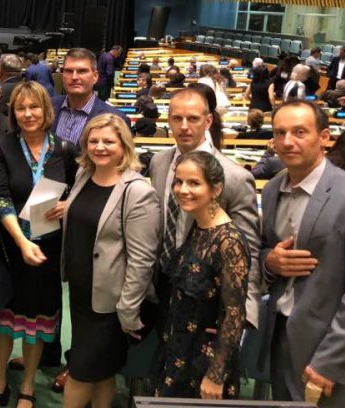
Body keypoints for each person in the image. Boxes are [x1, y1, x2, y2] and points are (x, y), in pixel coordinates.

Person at [0, 81, 78, 408]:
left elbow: (81, 187)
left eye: (34, 107)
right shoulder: (3, 147)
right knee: (4, 322)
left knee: (37, 322)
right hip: (11, 248)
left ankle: (27, 387)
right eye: (20, 108)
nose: (27, 114)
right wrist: (22, 241)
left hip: (48, 250)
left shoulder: (65, 148)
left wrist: (70, 204)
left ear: (46, 110)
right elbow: (0, 197)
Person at [259, 100, 345, 406]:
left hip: (330, 348)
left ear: (324, 137)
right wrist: (269, 261)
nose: (288, 141)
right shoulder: (272, 189)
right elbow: (264, 249)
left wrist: (331, 360)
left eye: (300, 132)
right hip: (280, 337)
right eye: (280, 133)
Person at [60, 114, 160, 408]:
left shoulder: (138, 192)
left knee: (79, 372)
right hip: (81, 296)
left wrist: (128, 309)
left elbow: (142, 260)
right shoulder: (83, 176)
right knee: (101, 371)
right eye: (93, 141)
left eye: (108, 141)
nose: (100, 147)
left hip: (111, 304)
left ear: (124, 146)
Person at [148, 87, 261, 330]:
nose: (185, 126)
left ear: (208, 121)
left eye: (193, 118)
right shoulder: (158, 163)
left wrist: (243, 311)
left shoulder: (235, 177)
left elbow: (247, 248)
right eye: (177, 118)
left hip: (205, 290)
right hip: (162, 283)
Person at [154, 151, 250, 399]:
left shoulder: (229, 241)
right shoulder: (199, 226)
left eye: (194, 183)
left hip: (204, 362)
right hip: (179, 349)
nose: (182, 189)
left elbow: (235, 314)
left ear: (215, 189)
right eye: (179, 181)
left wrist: (216, 375)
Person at [51, 48, 131, 149]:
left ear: (95, 76)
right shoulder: (46, 107)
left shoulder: (117, 119)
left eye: (82, 71)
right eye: (69, 71)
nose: (74, 77)